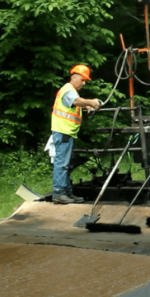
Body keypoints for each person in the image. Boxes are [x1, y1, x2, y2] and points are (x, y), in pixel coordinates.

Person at [50, 64, 102, 204]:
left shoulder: (70, 91)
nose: (84, 83)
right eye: (82, 80)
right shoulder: (68, 90)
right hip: (63, 132)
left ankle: (66, 193)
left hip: (66, 132)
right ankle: (59, 193)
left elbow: (75, 104)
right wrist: (91, 102)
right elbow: (75, 101)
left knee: (66, 163)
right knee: (62, 163)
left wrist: (85, 106)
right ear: (75, 77)